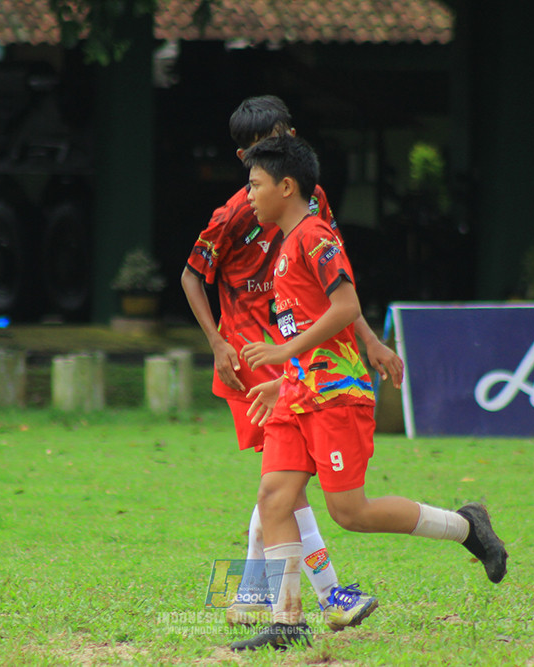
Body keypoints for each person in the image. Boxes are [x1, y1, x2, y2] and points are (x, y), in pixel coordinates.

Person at [230, 135, 507, 652]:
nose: (248, 196)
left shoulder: (316, 236)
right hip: (297, 393)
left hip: (336, 394)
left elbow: (343, 306)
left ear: (286, 186)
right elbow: (315, 322)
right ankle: (287, 620)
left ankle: (467, 526)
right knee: (274, 497)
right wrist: (283, 376)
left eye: (255, 185)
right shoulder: (285, 246)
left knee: (349, 513)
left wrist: (281, 352)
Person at [180, 96, 404, 632]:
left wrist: (369, 339)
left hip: (298, 348)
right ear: (245, 158)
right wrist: (216, 344)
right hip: (251, 354)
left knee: (280, 487)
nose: (276, 155)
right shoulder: (234, 212)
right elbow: (191, 275)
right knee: (282, 486)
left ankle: (260, 598)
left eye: (284, 139)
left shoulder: (312, 203)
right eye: (263, 150)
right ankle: (311, 598)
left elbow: (337, 287)